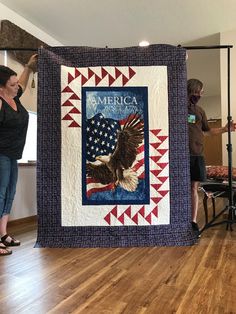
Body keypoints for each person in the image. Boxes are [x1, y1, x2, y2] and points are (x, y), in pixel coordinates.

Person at [187, 78, 235, 236]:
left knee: (194, 187)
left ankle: (193, 222)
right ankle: (179, 220)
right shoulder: (177, 108)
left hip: (197, 155)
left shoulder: (200, 111)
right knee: (179, 188)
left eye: (201, 92)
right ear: (192, 90)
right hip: (181, 155)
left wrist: (224, 129)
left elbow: (206, 132)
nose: (201, 94)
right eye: (199, 91)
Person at [0, 54, 37, 256]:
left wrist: (29, 68)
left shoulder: (13, 96)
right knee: (0, 194)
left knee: (9, 194)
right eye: (12, 84)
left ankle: (3, 234)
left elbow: (22, 81)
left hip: (13, 154)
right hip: (1, 155)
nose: (17, 86)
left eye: (16, 83)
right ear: (1, 88)